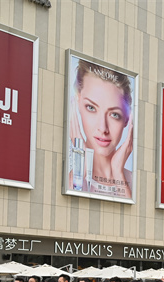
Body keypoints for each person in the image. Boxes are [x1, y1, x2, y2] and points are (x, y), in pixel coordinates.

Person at [68, 59, 134, 199]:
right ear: (77, 103)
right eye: (91, 108)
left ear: (127, 119)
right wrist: (81, 163)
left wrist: (118, 172)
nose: (103, 128)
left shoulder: (133, 183)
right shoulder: (69, 178)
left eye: (114, 114)